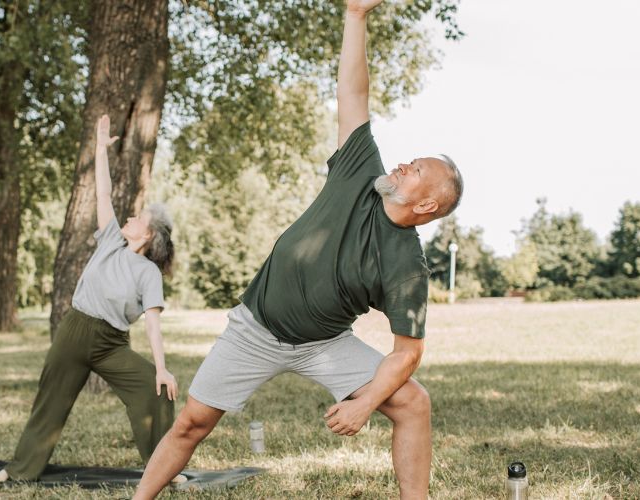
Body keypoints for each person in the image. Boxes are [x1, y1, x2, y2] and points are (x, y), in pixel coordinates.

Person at [131, 0, 463, 498]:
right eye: (409, 161)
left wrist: (366, 401)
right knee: (192, 424)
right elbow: (353, 91)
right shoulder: (360, 171)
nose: (401, 166)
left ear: (429, 204)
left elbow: (407, 354)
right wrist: (355, 16)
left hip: (323, 344)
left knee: (413, 403)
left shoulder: (406, 266)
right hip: (256, 327)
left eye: (415, 170)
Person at [0, 113, 178, 482]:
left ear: (148, 235)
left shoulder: (148, 273)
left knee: (155, 390)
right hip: (75, 331)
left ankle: (164, 471)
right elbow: (104, 192)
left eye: (137, 218)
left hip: (111, 344)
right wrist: (99, 148)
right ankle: (20, 471)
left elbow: (153, 325)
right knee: (51, 400)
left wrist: (161, 367)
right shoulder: (110, 239)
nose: (129, 217)